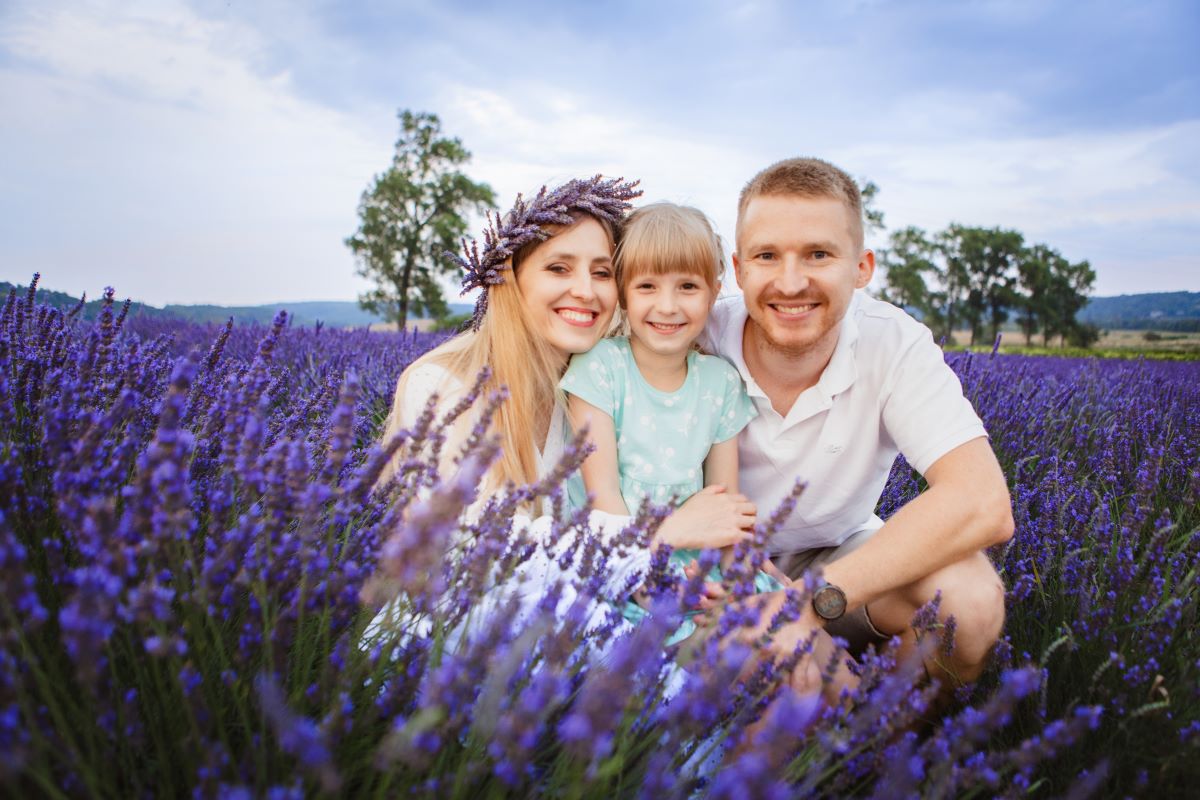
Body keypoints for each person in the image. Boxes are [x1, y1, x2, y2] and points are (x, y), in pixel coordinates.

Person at [371, 176, 757, 643]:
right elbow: (487, 557)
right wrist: (666, 533)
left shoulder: (583, 387)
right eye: (558, 268)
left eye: (600, 273)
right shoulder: (444, 388)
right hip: (449, 638)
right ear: (510, 279)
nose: (586, 291)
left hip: (567, 618)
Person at [699, 157, 1014, 687]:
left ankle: (888, 747)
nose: (791, 281)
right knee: (805, 693)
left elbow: (982, 503)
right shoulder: (695, 334)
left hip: (842, 557)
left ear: (862, 267)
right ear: (739, 268)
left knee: (972, 602)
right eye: (767, 256)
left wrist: (808, 601)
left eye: (818, 254)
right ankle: (834, 735)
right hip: (714, 570)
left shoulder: (893, 341)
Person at [559, 203, 787, 647]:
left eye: (687, 286)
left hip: (700, 562)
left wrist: (742, 570)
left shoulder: (719, 382)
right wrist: (646, 577)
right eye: (647, 286)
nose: (668, 306)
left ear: (714, 292)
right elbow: (601, 497)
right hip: (620, 562)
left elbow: (724, 502)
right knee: (725, 656)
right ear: (624, 293)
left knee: (791, 632)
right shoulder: (600, 367)